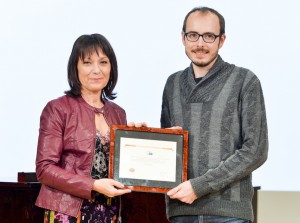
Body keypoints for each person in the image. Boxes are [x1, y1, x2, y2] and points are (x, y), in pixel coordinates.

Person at [160, 7, 268, 223]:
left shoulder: (245, 81)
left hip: (229, 215)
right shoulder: (172, 84)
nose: (200, 43)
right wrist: (146, 137)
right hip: (181, 213)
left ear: (222, 40)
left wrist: (199, 187)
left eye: (209, 36)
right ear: (183, 38)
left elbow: (255, 150)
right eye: (193, 35)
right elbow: (168, 151)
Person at [35, 33, 132, 223]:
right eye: (87, 62)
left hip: (109, 210)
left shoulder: (119, 113)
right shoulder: (57, 109)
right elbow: (44, 169)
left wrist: (141, 136)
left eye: (103, 62)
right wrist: (93, 185)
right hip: (67, 210)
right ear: (75, 68)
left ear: (112, 68)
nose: (96, 70)